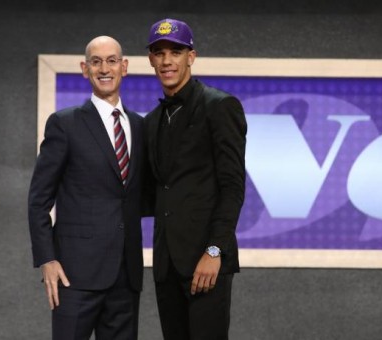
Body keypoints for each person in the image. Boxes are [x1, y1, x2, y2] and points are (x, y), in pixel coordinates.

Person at [28, 36, 144, 340]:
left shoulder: (140, 126)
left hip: (126, 275)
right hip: (74, 275)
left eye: (111, 60)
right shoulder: (64, 124)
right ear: (84, 68)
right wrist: (47, 259)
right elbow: (39, 199)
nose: (104, 68)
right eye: (96, 61)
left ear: (124, 67)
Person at [144, 18, 247, 340]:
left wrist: (215, 251)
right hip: (166, 264)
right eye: (159, 53)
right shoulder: (153, 120)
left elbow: (232, 187)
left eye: (175, 51)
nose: (166, 61)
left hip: (207, 262)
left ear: (191, 56)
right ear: (151, 60)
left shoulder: (220, 106)